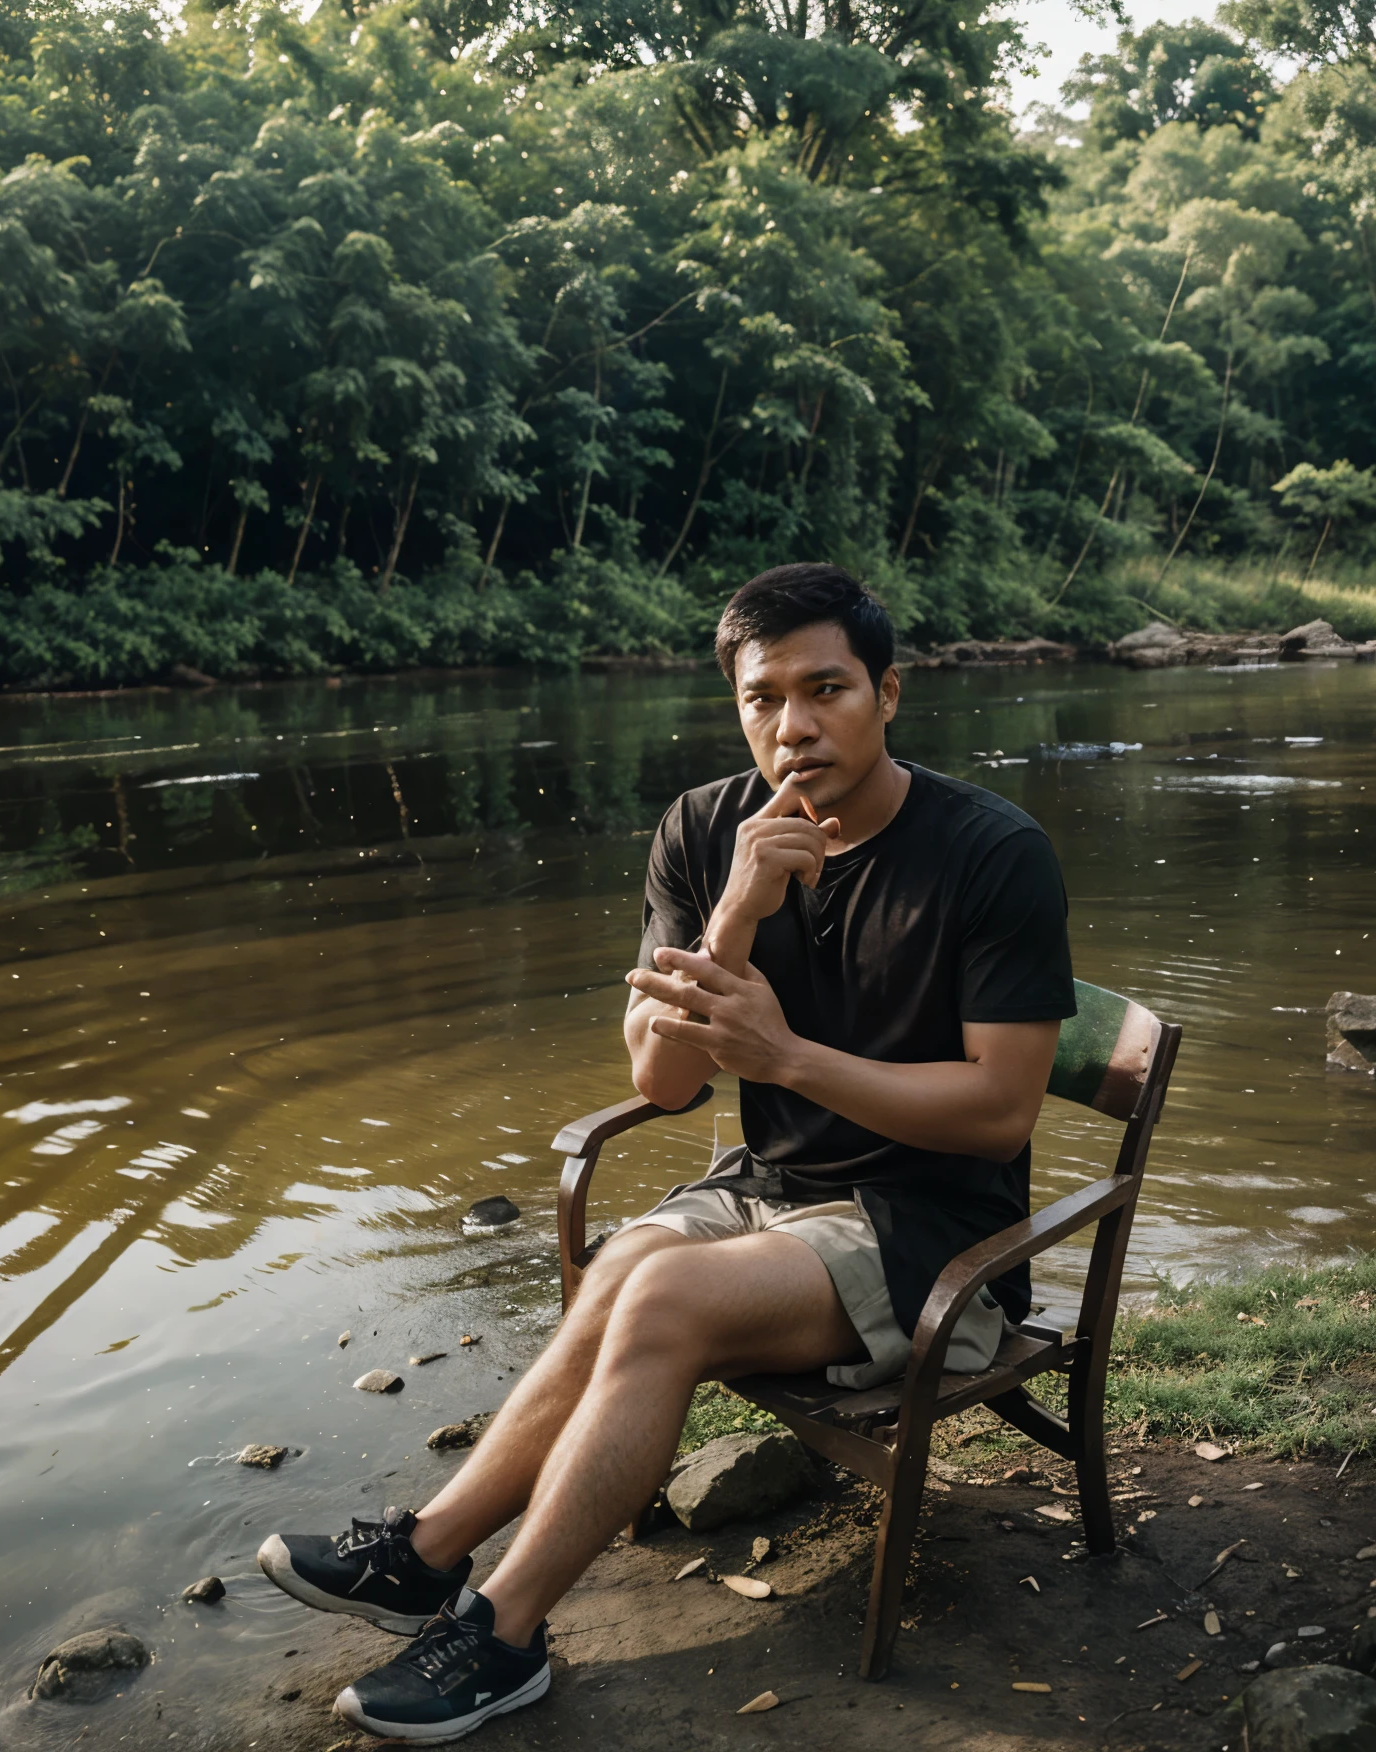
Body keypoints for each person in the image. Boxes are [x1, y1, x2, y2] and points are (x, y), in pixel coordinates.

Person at [257, 561, 1077, 1742]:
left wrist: (788, 1057)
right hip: (773, 1190)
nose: (792, 725)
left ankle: (503, 1630)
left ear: (887, 692)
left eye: (825, 688)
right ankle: (430, 1553)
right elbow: (663, 1079)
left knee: (664, 1299)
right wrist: (737, 909)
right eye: (762, 698)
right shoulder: (701, 830)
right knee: (622, 1270)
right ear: (734, 704)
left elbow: (1000, 1112)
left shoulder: (991, 853)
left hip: (934, 1229)